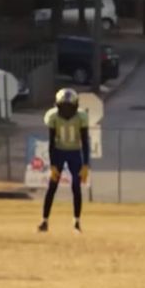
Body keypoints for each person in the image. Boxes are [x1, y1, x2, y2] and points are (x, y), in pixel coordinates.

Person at [39, 88, 89, 233]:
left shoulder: (81, 117)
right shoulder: (53, 117)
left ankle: (76, 222)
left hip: (74, 152)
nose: (67, 111)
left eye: (69, 107)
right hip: (59, 152)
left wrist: (85, 164)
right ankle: (44, 221)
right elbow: (51, 142)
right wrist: (53, 164)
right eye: (64, 107)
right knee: (52, 187)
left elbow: (85, 141)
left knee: (76, 187)